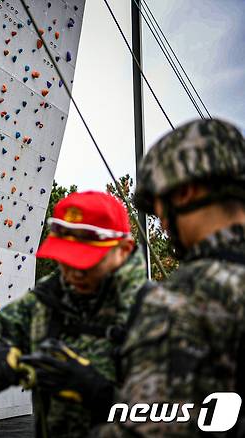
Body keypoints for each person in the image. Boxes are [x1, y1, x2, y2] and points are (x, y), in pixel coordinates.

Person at [30, 118, 245, 437]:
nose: (163, 223)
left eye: (160, 208)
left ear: (186, 192)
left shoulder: (185, 301)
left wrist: (96, 397)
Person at [0, 191, 148, 438]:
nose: (74, 274)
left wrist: (100, 393)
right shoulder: (45, 301)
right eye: (66, 260)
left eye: (86, 261)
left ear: (124, 250)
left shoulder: (161, 311)